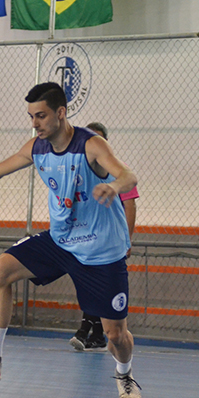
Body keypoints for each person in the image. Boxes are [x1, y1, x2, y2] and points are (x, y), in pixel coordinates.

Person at [0, 82, 142, 398]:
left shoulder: (90, 145)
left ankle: (125, 375)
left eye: (41, 116)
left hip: (99, 252)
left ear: (61, 113)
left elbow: (128, 175)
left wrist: (114, 186)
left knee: (115, 334)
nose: (35, 123)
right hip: (61, 241)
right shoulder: (37, 148)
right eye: (31, 116)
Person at [69, 121, 139, 352]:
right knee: (92, 286)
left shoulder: (119, 171)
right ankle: (96, 333)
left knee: (103, 289)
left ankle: (88, 330)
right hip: (87, 241)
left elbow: (129, 205)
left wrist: (127, 239)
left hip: (110, 242)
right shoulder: (78, 170)